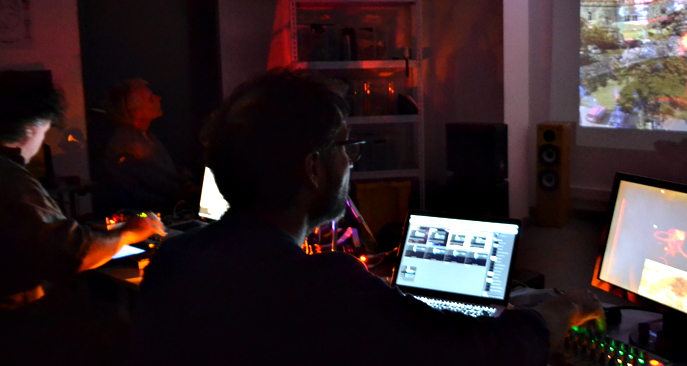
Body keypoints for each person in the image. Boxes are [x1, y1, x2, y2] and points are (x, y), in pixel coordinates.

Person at [131, 69, 603, 366]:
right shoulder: (325, 288)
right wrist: (555, 313)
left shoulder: (173, 261)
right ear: (313, 168)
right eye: (345, 147)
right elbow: (473, 353)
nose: (351, 162)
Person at [0, 70, 167, 364]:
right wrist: (130, 232)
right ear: (32, 127)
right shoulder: (13, 182)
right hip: (17, 325)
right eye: (47, 129)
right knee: (116, 324)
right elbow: (74, 252)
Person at [102, 78, 191, 214]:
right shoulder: (130, 146)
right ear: (134, 111)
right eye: (150, 99)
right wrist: (188, 188)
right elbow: (162, 189)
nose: (159, 98)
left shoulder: (146, 136)